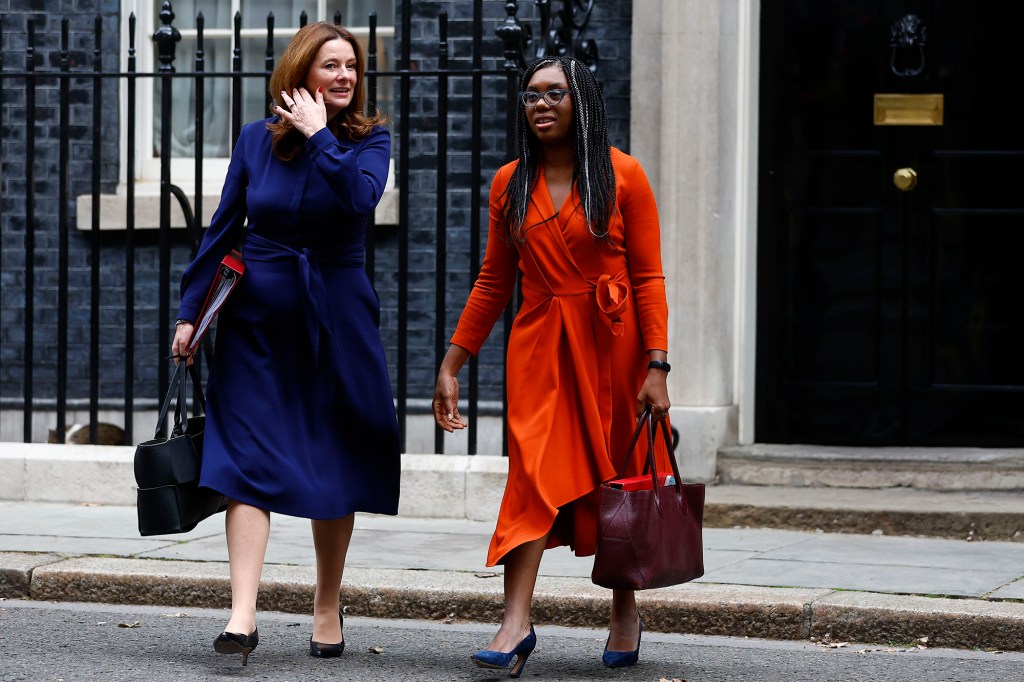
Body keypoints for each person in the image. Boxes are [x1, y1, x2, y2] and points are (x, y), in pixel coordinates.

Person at [433, 56, 672, 676]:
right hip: (539, 349)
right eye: (531, 95)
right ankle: (516, 621)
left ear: (582, 100)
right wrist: (454, 362)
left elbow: (647, 277)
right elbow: (493, 280)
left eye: (554, 93)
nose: (540, 104)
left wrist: (658, 366)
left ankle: (624, 611)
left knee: (617, 477)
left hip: (611, 347)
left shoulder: (624, 176)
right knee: (531, 477)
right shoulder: (509, 182)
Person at [171, 21, 400, 667]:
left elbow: (359, 199)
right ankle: (242, 614)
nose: (344, 77)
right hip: (254, 328)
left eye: (351, 67)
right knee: (243, 457)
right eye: (330, 65)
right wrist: (192, 314)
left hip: (336, 322)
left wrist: (319, 135)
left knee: (335, 460)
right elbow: (221, 231)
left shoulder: (367, 140)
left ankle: (326, 604)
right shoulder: (253, 141)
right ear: (300, 72)